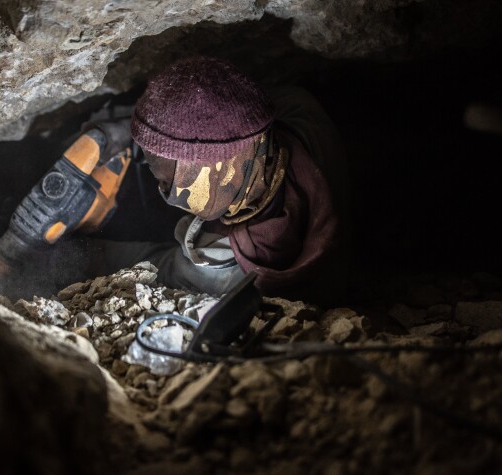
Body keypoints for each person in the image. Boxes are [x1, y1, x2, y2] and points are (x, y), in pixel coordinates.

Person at [84, 56, 349, 301]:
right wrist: (131, 134)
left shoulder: (223, 264)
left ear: (216, 171)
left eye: (167, 182)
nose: (162, 191)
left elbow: (153, 267)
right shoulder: (301, 112)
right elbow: (231, 109)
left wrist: (73, 255)